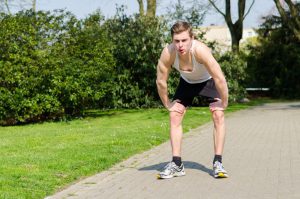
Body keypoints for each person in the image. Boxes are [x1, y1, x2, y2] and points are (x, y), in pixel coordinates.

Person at [156, 21, 229, 179]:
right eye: (177, 41)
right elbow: (161, 81)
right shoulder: (168, 53)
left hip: (208, 81)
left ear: (192, 38)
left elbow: (219, 78)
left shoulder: (200, 50)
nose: (180, 45)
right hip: (187, 83)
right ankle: (177, 164)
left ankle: (218, 162)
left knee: (218, 114)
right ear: (172, 40)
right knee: (174, 115)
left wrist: (224, 102)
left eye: (184, 40)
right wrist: (168, 104)